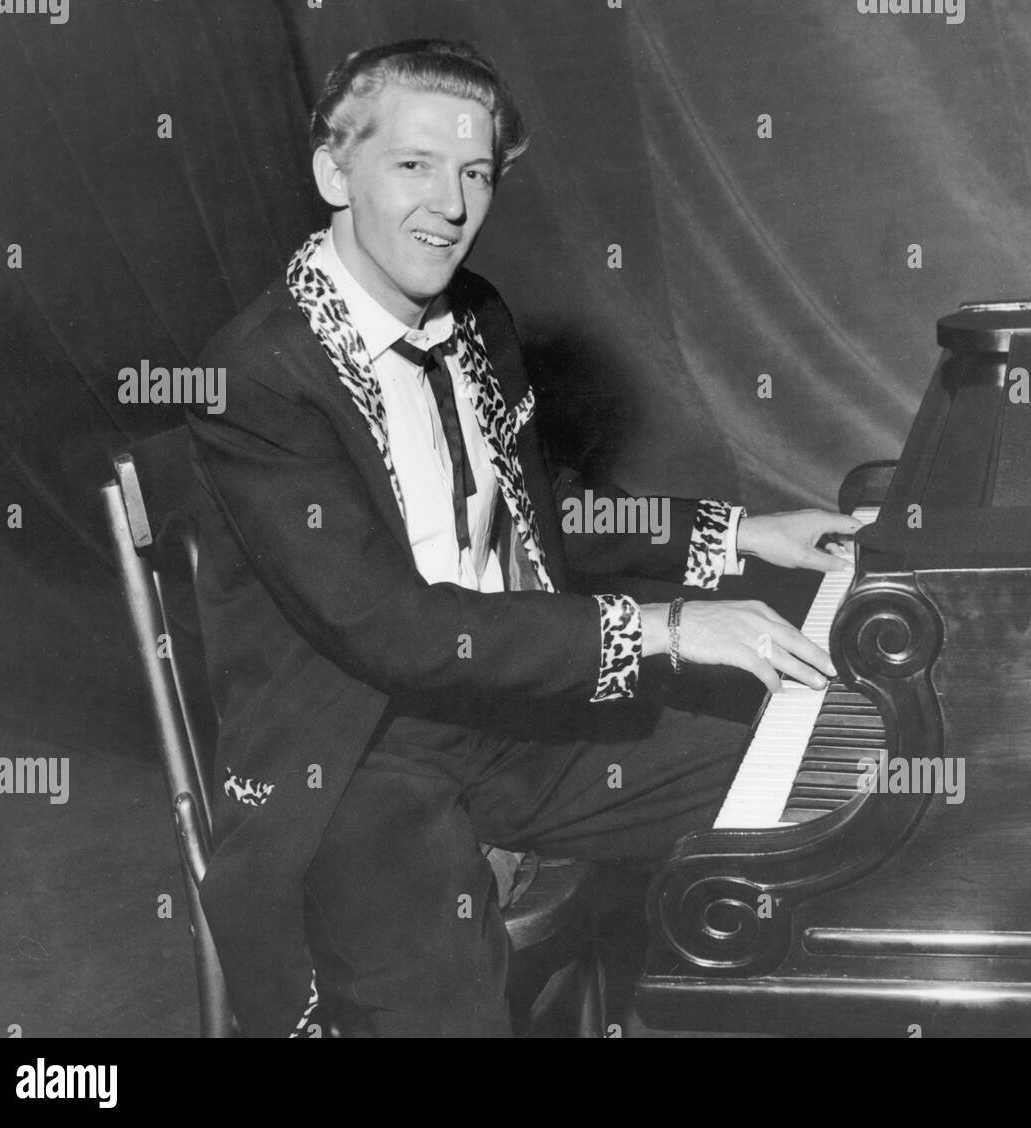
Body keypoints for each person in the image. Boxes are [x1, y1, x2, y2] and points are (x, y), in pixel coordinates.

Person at [185, 38, 860, 1037]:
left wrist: (740, 535)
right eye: (413, 166)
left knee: (823, 798)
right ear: (335, 170)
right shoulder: (257, 376)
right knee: (449, 1011)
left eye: (475, 173)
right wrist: (665, 627)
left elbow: (546, 515)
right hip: (357, 759)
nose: (450, 206)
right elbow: (391, 627)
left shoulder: (476, 316)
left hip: (510, 709)